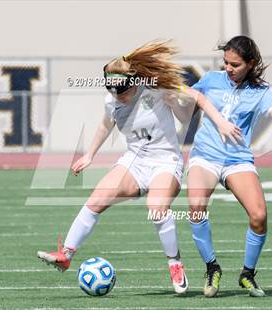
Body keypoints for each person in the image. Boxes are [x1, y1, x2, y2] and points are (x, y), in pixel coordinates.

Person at [37, 40, 241, 295]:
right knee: (96, 199)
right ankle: (66, 254)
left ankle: (175, 263)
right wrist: (89, 155)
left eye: (121, 90)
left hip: (166, 161)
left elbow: (196, 99)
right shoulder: (111, 99)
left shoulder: (156, 88)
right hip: (134, 161)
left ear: (133, 81)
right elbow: (105, 125)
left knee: (156, 208)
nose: (117, 95)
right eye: (112, 90)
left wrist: (219, 122)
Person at [185, 35, 272, 297]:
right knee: (196, 207)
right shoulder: (211, 79)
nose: (229, 69)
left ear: (250, 63)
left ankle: (247, 273)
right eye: (226, 63)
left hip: (237, 160)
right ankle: (212, 268)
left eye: (235, 64)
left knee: (259, 215)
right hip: (205, 156)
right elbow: (188, 93)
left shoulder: (262, 91)